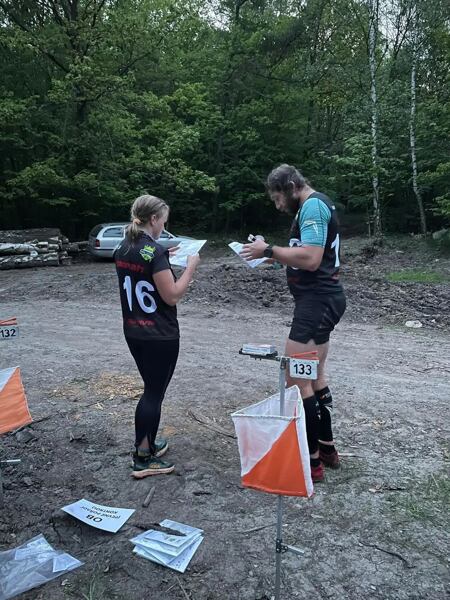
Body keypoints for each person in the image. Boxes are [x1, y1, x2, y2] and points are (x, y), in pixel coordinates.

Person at [240, 164, 346, 482]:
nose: (277, 205)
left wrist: (269, 249)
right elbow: (304, 253)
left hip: (316, 304)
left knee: (296, 381)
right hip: (321, 301)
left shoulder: (312, 206)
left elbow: (311, 259)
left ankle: (311, 464)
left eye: (277, 198)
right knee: (315, 377)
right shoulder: (314, 206)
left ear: (290, 187)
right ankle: (326, 449)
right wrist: (270, 254)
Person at [114, 194, 200, 478]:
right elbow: (172, 295)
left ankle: (148, 443)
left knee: (152, 389)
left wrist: (163, 260)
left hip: (134, 330)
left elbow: (145, 270)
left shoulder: (124, 246)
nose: (164, 226)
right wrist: (190, 267)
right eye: (163, 221)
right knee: (153, 393)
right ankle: (142, 456)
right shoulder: (155, 251)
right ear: (153, 219)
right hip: (159, 334)